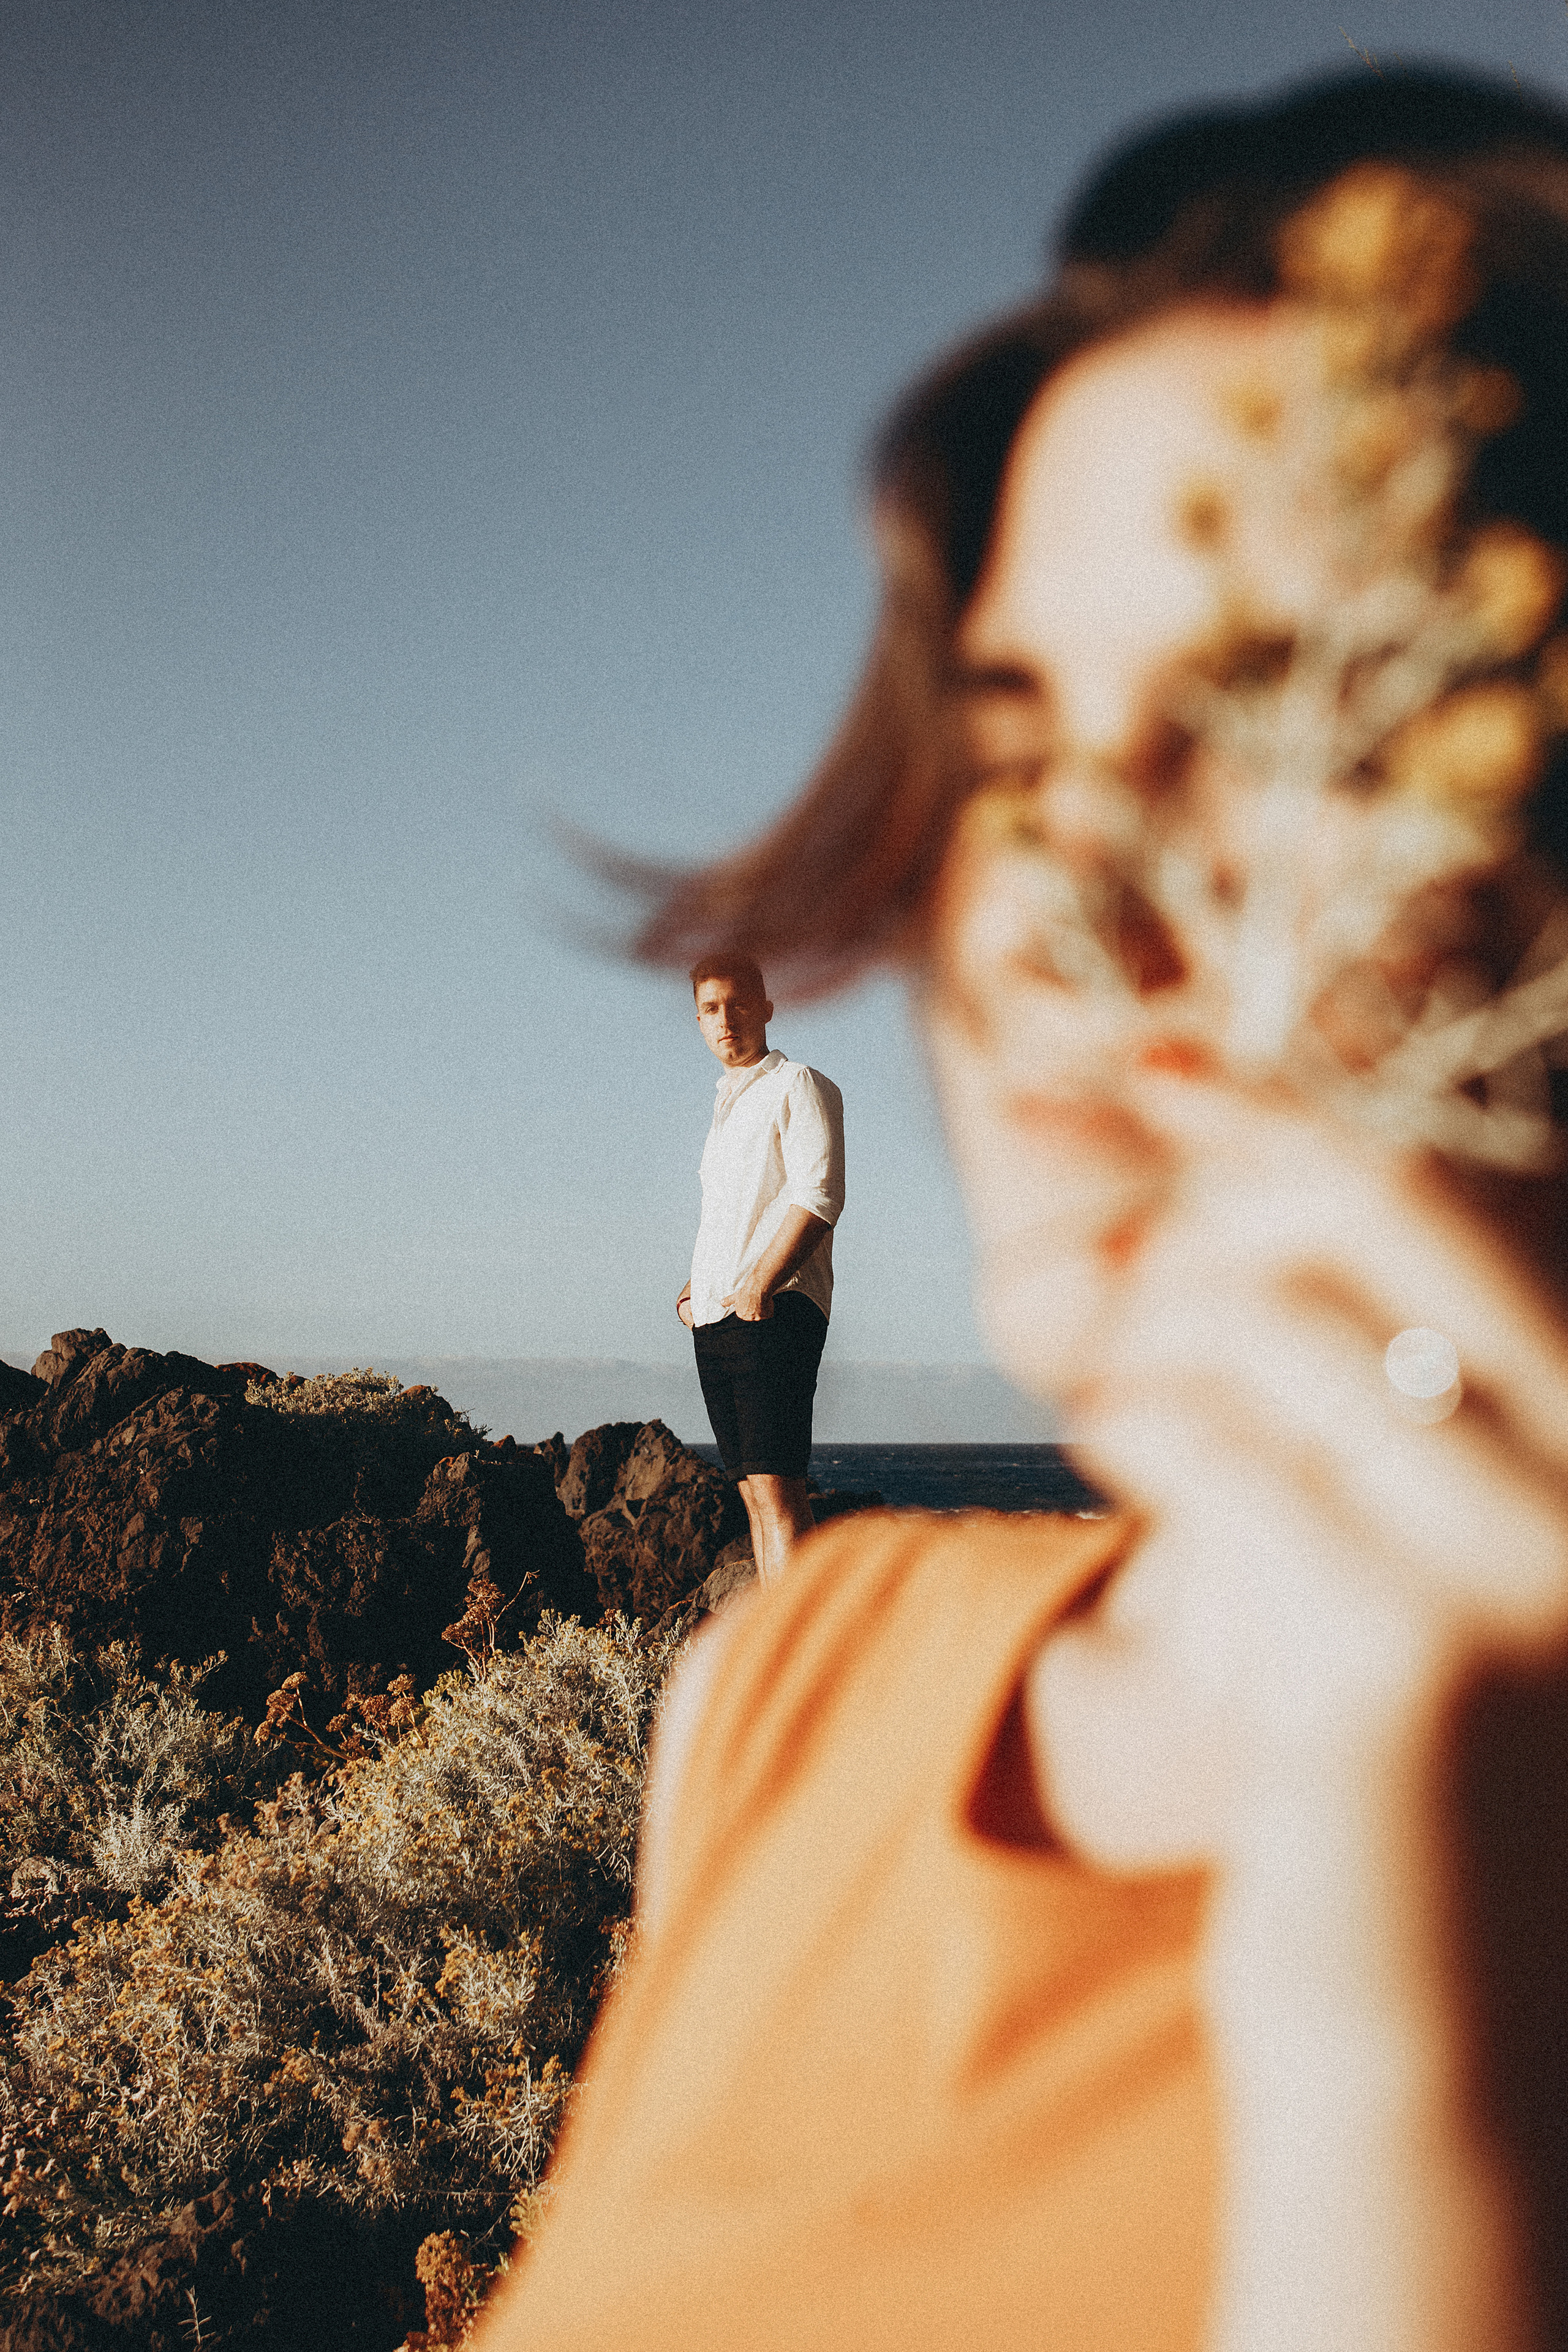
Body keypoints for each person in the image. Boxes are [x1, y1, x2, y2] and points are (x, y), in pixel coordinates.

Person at [475, 67, 1568, 2352]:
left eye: (1273, 729)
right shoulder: (784, 1710)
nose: (1059, 901)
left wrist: (1406, 2105)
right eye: (1011, 752)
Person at [674, 954, 845, 1583]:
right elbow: (735, 1214)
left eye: (739, 1003)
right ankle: (782, 1637)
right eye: (711, 1008)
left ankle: (798, 1655)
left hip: (774, 1310)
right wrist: (699, 1288)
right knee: (752, 1493)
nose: (726, 1019)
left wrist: (758, 1285)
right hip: (720, 1313)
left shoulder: (796, 1084)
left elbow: (819, 1197)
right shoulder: (727, 1103)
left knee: (778, 1492)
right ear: (698, 1020)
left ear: (766, 1008)